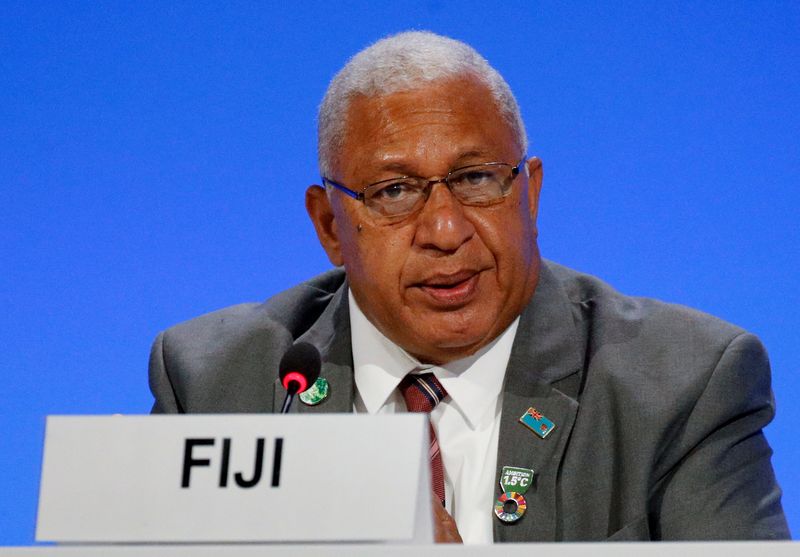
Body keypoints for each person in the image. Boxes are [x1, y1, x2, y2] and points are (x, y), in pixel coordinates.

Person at [149, 31, 790, 542]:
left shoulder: (685, 387)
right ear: (330, 226)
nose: (446, 229)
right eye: (394, 191)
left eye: (478, 179)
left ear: (530, 195)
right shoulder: (216, 385)